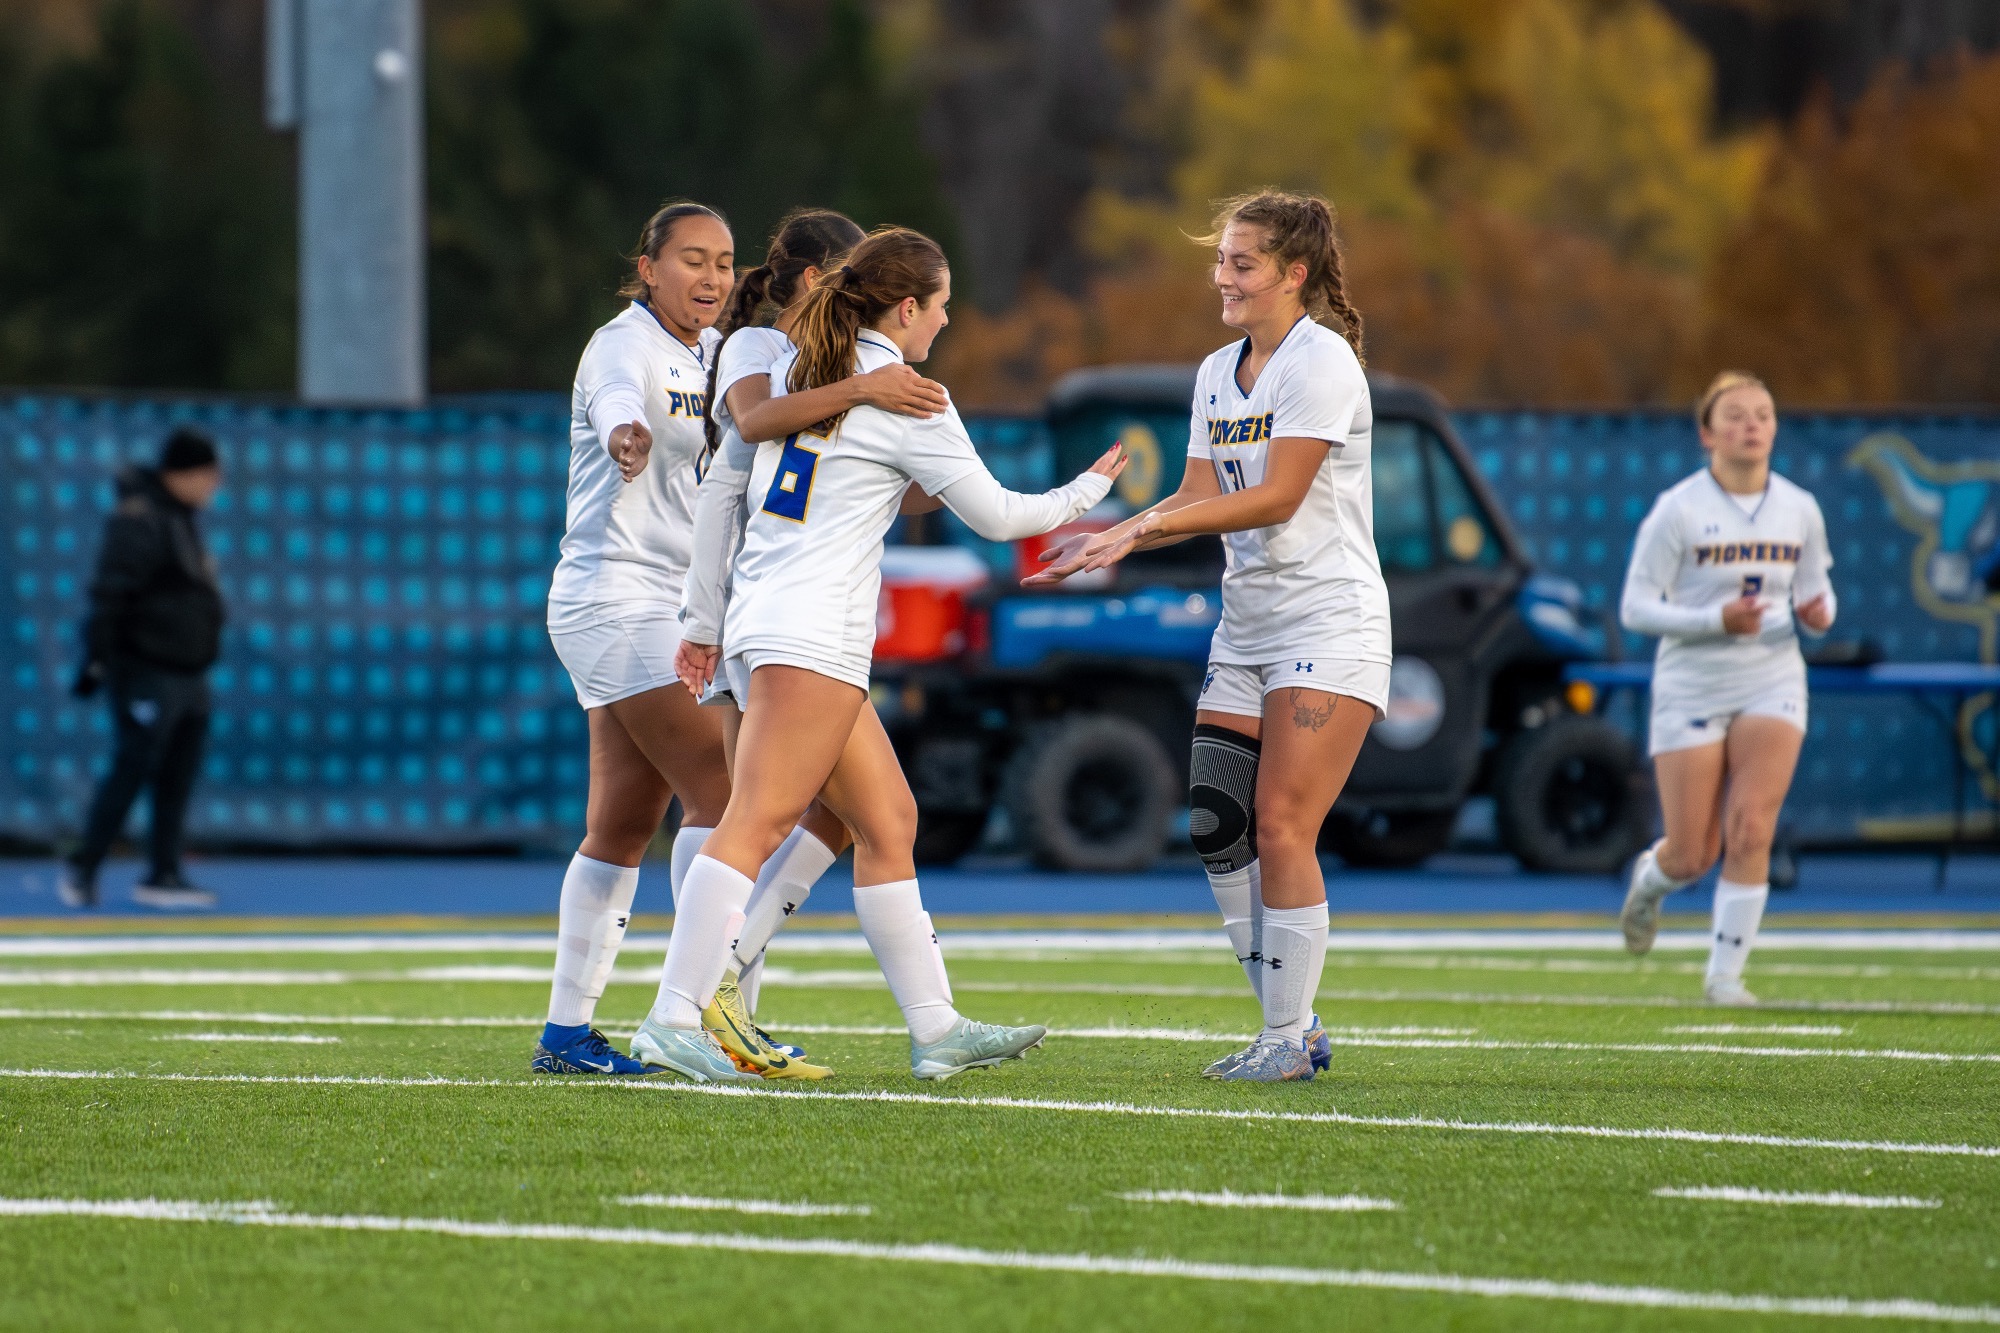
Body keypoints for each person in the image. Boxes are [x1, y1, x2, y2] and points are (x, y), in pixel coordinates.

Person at [635, 226, 1124, 1084]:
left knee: (889, 822)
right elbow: (1003, 517)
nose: (942, 324)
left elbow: (735, 484)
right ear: (907, 307)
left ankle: (935, 1027)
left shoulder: (794, 366)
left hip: (768, 620)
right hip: (810, 633)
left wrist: (706, 616)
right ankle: (674, 1015)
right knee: (758, 819)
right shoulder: (906, 391)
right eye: (939, 307)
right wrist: (1093, 489)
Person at [535, 202, 941, 1082]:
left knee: (625, 821)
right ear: (646, 269)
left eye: (723, 262)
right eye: (691, 260)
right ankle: (712, 1016)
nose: (713, 278)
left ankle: (568, 1033)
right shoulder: (638, 344)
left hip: (680, 602)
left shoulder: (725, 353)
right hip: (628, 595)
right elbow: (616, 396)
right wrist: (623, 432)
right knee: (732, 797)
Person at [1028, 190, 1387, 1083]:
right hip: (1250, 621)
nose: (1220, 276)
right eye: (1221, 259)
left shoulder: (1324, 360)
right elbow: (1196, 493)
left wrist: (1144, 531)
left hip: (1328, 620)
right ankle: (1289, 1023)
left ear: (1293, 275)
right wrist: (1118, 531)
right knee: (1215, 823)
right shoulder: (1216, 371)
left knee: (1282, 824)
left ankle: (1287, 1037)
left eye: (1241, 262)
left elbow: (1276, 495)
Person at [676, 209, 950, 1038]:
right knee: (745, 811)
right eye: (849, 282)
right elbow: (757, 426)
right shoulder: (761, 348)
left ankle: (725, 994)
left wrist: (923, 464)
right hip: (753, 601)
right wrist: (872, 387)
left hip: (792, 607)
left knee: (851, 816)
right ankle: (707, 1009)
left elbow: (854, 480)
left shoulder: (836, 361)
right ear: (810, 283)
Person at [1616, 372, 1835, 1005]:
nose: (1751, 426)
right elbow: (1635, 608)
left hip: (1772, 675)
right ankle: (1651, 881)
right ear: (1707, 433)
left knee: (1752, 825)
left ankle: (1724, 977)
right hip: (1692, 682)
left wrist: (1821, 614)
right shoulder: (1679, 509)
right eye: (1735, 416)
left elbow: (1818, 593)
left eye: (1763, 415)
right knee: (1692, 854)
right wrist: (1715, 621)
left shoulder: (1799, 507)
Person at [60, 429, 227, 911]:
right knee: (133, 767)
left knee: (177, 775)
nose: (214, 486)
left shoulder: (178, 518)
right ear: (185, 473)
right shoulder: (141, 519)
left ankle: (164, 873)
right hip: (147, 669)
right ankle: (84, 865)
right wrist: (98, 658)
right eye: (208, 475)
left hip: (187, 670)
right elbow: (112, 592)